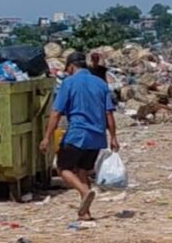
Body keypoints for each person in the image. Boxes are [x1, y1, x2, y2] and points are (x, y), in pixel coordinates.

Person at [40, 51, 119, 220]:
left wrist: (47, 136)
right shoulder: (100, 83)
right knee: (83, 171)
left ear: (71, 66)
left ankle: (84, 191)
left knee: (63, 168)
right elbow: (109, 114)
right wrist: (113, 137)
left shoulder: (68, 83)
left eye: (67, 69)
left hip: (77, 134)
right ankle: (85, 212)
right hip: (97, 137)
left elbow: (56, 113)